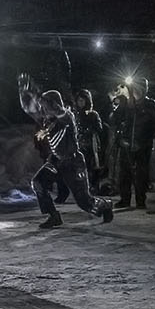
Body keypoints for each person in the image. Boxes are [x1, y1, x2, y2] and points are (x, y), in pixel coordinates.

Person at [19, 73, 114, 228]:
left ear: (54, 104)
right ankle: (53, 215)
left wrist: (40, 97)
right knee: (38, 182)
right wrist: (24, 93)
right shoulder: (47, 120)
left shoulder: (67, 117)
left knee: (85, 202)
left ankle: (105, 205)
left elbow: (58, 110)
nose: (43, 109)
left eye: (46, 106)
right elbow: (29, 109)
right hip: (56, 160)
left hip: (73, 162)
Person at [114, 78, 155, 209]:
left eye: (138, 89)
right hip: (126, 145)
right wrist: (121, 137)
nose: (136, 91)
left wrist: (145, 140)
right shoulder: (126, 104)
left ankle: (140, 200)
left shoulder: (150, 105)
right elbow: (116, 121)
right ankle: (125, 199)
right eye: (134, 89)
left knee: (141, 174)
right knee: (124, 173)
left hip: (143, 146)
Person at [73, 89, 107, 193]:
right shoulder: (75, 114)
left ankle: (93, 187)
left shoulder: (93, 114)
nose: (80, 103)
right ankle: (82, 187)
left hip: (91, 145)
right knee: (80, 166)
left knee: (92, 166)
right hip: (79, 144)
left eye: (82, 100)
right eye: (79, 100)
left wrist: (89, 130)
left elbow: (99, 128)